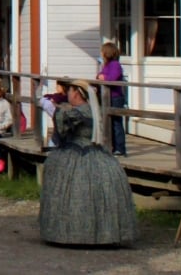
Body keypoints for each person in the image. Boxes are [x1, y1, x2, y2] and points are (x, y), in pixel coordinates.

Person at [39, 79, 137, 246]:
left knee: (76, 192)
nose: (67, 94)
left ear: (76, 93)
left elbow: (62, 127)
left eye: (69, 91)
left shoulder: (79, 111)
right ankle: (101, 233)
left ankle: (74, 233)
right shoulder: (92, 109)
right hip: (95, 153)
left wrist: (52, 107)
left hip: (77, 153)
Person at [97, 42, 127, 156]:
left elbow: (112, 78)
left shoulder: (115, 64)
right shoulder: (106, 65)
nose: (101, 54)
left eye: (102, 51)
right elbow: (99, 75)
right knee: (108, 123)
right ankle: (111, 146)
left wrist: (103, 77)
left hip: (115, 97)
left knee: (116, 123)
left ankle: (120, 148)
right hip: (106, 97)